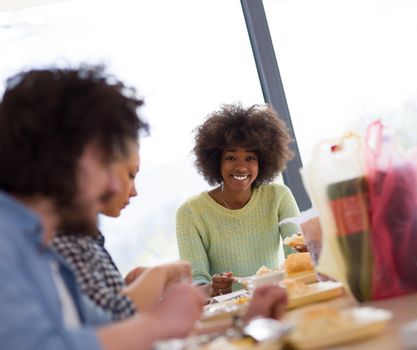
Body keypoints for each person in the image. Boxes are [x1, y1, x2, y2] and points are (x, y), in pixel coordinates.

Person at [0, 66, 288, 350]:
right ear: (63, 159)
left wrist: (245, 322)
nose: (115, 188)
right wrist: (156, 324)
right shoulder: (8, 244)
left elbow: (107, 330)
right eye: (105, 163)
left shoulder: (41, 248)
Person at [52, 139, 191, 320]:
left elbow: (100, 306)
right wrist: (160, 275)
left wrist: (129, 288)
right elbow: (111, 321)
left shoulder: (88, 239)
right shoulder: (65, 240)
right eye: (131, 175)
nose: (134, 192)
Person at [176, 103, 301, 296]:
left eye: (250, 158)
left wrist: (311, 250)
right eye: (231, 158)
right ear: (216, 161)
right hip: (225, 311)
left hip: (273, 299)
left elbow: (298, 258)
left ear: (263, 161)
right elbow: (196, 283)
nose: (241, 167)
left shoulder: (278, 196)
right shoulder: (191, 212)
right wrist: (212, 287)